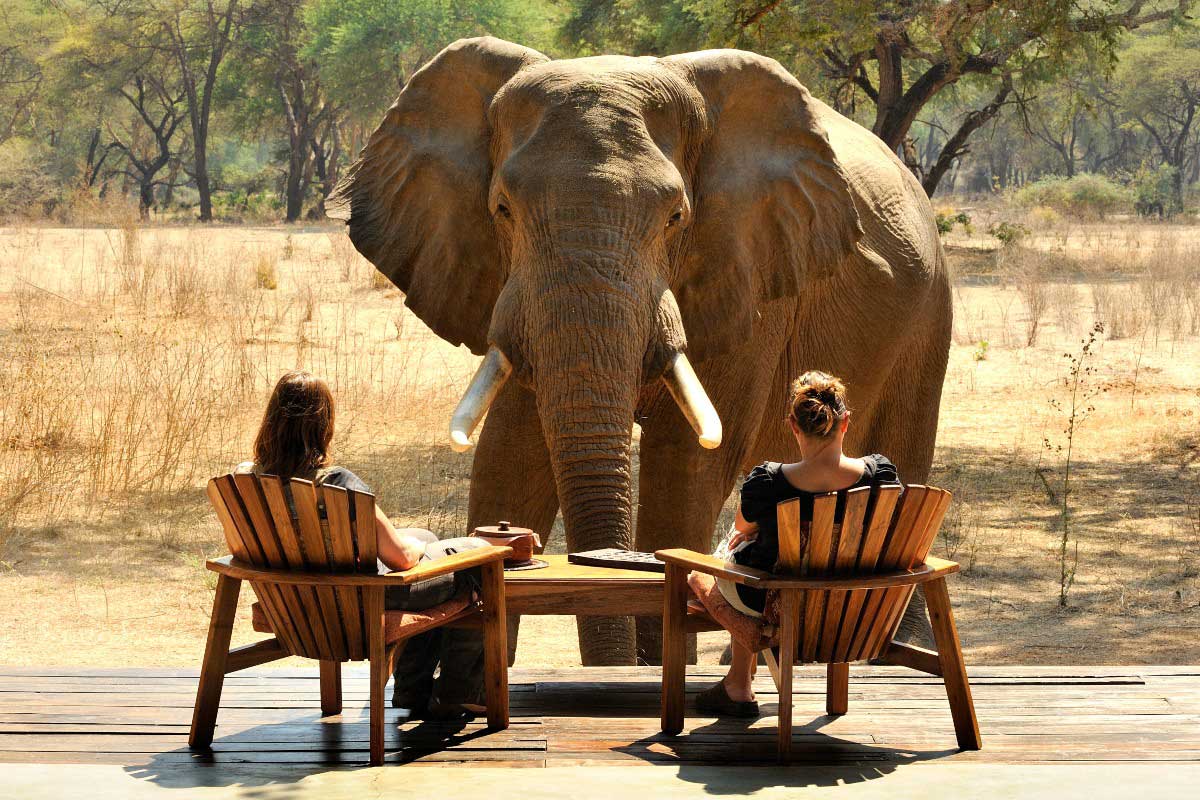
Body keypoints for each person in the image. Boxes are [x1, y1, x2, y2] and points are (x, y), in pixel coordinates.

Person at [234, 370, 488, 720]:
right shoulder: (337, 484)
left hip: (290, 602)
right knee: (477, 558)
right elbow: (399, 560)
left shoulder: (245, 479)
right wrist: (412, 549)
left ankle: (414, 691)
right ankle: (456, 691)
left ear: (271, 421)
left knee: (428, 538)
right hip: (356, 604)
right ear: (323, 426)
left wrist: (418, 542)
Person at [696, 371, 900, 718]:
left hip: (776, 606)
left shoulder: (768, 481)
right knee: (749, 555)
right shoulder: (879, 476)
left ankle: (742, 676)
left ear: (793, 426)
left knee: (705, 571)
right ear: (845, 422)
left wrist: (755, 531)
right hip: (853, 608)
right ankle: (738, 681)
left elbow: (741, 526)